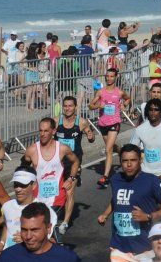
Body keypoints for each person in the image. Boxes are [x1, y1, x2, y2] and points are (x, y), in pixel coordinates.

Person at [97, 144, 161, 262]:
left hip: (144, 248)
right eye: (125, 161)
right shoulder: (115, 179)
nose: (129, 165)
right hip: (119, 246)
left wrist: (148, 216)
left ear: (140, 160)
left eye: (133, 160)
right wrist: (105, 214)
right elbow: (116, 199)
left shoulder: (152, 181)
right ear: (120, 162)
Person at [53, 96, 95, 233]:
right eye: (65, 106)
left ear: (75, 107)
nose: (67, 108)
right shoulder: (55, 121)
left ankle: (64, 222)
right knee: (55, 190)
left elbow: (91, 136)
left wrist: (90, 136)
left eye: (70, 106)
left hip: (74, 163)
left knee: (69, 191)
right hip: (57, 163)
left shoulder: (81, 122)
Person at [0, 171, 58, 257]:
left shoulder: (45, 210)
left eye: (23, 185)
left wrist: (27, 240)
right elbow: (7, 226)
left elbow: (51, 241)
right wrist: (1, 244)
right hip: (9, 256)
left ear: (34, 185)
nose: (18, 189)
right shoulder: (7, 206)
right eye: (16, 185)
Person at [23, 118, 80, 211]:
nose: (42, 134)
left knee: (49, 224)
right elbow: (23, 169)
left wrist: (71, 178)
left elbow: (76, 161)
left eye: (46, 131)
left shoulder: (62, 148)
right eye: (40, 131)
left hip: (57, 199)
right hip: (37, 198)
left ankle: (64, 222)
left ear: (53, 131)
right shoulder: (31, 150)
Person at [89, 68, 130, 189]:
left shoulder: (120, 92)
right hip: (103, 124)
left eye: (112, 76)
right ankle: (121, 150)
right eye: (107, 76)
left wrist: (124, 104)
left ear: (116, 77)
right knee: (111, 148)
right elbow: (90, 105)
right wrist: (97, 105)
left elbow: (128, 98)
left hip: (114, 123)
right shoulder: (101, 92)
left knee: (108, 150)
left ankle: (105, 177)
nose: (109, 78)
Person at [0, 202, 81, 262]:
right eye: (24, 230)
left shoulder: (67, 258)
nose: (28, 236)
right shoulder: (7, 257)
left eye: (34, 230)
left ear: (48, 228)